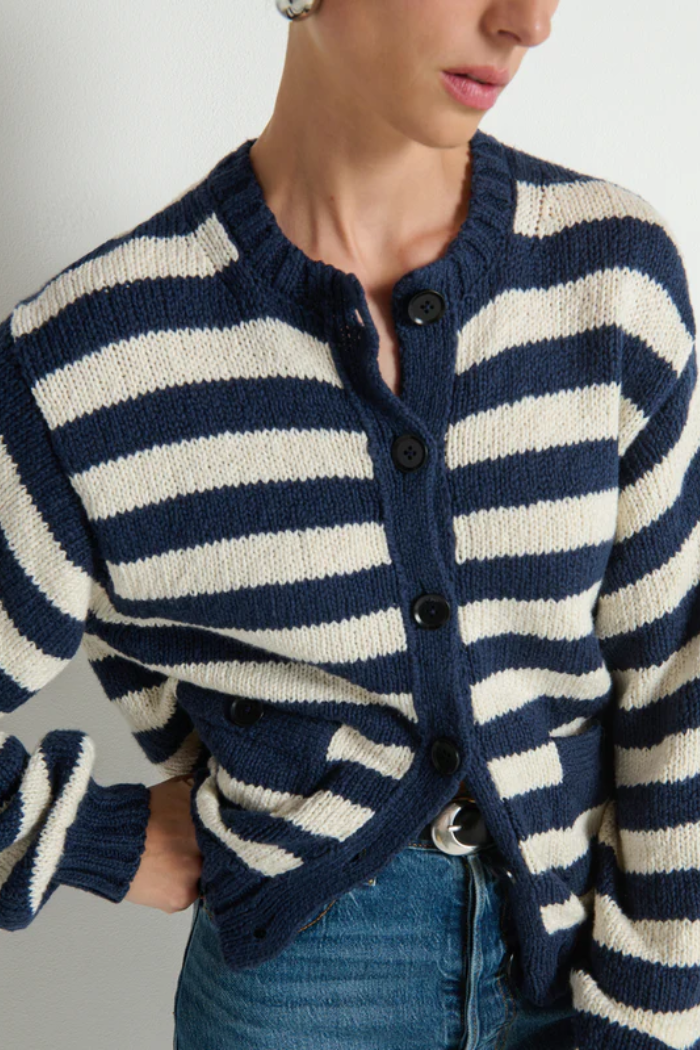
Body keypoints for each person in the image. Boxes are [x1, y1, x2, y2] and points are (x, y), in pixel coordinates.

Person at [1, 1, 698, 1049]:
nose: (527, 23)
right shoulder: (89, 361)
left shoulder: (609, 278)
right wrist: (84, 837)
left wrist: (649, 1009)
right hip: (300, 990)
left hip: (592, 950)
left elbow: (676, 671)